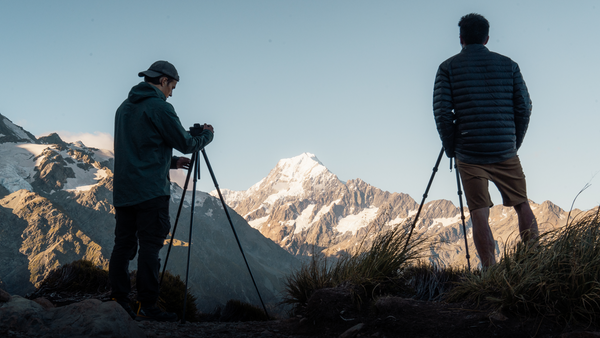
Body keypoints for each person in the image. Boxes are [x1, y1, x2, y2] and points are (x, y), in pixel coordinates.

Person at [109, 60, 214, 321]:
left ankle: (118, 301)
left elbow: (136, 149)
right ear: (164, 81)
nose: (172, 92)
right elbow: (187, 143)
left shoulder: (123, 108)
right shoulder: (160, 107)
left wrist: (171, 162)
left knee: (122, 246)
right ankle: (148, 307)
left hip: (124, 191)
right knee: (150, 248)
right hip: (151, 192)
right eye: (173, 87)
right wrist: (208, 136)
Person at [433, 13, 538, 267]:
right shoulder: (509, 65)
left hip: (469, 152)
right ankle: (535, 263)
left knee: (479, 213)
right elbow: (524, 107)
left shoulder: (448, 68)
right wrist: (513, 142)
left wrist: (451, 149)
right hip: (504, 148)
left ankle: (490, 272)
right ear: (487, 38)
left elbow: (443, 114)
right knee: (522, 204)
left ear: (461, 39)